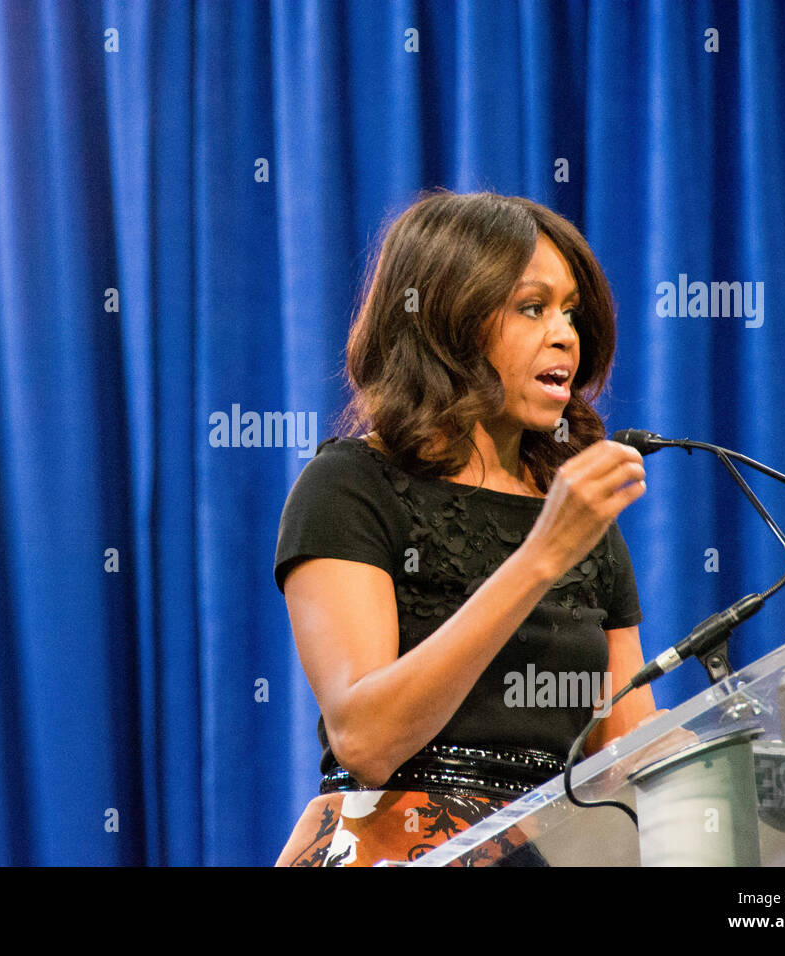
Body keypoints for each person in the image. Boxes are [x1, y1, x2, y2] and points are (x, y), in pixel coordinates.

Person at [272, 189, 658, 867]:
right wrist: (539, 558)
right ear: (449, 321)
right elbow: (365, 741)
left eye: (571, 311)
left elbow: (631, 754)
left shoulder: (576, 516)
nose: (565, 334)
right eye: (533, 308)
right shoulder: (350, 487)